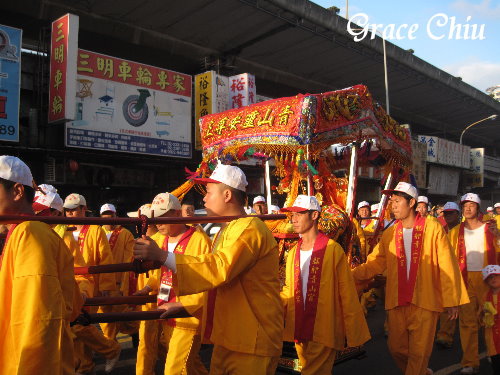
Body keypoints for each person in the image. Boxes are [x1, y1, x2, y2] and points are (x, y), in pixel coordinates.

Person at [134, 163, 283, 374]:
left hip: (252, 339)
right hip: (230, 336)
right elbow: (219, 282)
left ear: (227, 195)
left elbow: (219, 268)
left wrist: (161, 256)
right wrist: (187, 305)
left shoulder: (249, 227)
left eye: (209, 192)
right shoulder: (228, 229)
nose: (204, 199)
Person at [352, 182, 468, 375]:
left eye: (397, 201)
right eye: (391, 201)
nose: (393, 205)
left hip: (425, 301)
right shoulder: (390, 233)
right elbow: (375, 263)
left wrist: (452, 299)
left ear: (412, 202)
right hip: (397, 301)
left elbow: (447, 264)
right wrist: (349, 275)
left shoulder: (433, 228)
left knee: (418, 353)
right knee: (396, 348)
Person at [0, 155, 76, 374]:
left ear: (17, 191)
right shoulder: (23, 231)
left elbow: (38, 322)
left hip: (25, 363)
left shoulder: (29, 233)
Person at [280, 195, 370, 374]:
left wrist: (352, 329)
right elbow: (289, 289)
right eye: (292, 214)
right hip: (299, 324)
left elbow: (347, 292)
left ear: (314, 216)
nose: (294, 219)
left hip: (324, 326)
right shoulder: (293, 252)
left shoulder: (332, 249)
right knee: (307, 368)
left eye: (299, 214)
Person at [141, 193, 211, 374]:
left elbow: (206, 278)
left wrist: (186, 304)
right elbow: (158, 274)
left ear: (178, 213)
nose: (158, 222)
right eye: (155, 217)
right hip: (166, 308)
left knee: (174, 369)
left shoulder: (198, 239)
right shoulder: (159, 240)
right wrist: (148, 287)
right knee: (189, 364)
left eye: (163, 217)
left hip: (188, 314)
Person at [64, 193, 120, 374]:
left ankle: (96, 359)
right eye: (67, 211)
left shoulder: (95, 230)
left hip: (89, 284)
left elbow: (105, 258)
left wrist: (105, 285)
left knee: (79, 324)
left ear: (83, 209)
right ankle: (86, 365)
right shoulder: (63, 229)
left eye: (74, 210)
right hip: (69, 284)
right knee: (77, 327)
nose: (70, 214)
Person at [448, 193, 500, 374]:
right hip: (465, 279)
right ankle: (470, 362)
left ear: (478, 208)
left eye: (471, 205)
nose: (467, 208)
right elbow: (449, 258)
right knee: (467, 322)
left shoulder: (490, 229)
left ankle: (493, 354)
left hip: (488, 279)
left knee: (490, 319)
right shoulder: (455, 232)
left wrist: (498, 236)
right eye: (465, 205)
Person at [129, 204, 167, 375]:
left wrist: (146, 287)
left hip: (157, 297)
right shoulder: (143, 239)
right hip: (148, 296)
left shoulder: (160, 241)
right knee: (157, 344)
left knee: (148, 343)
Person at [99, 203, 138, 341]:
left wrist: (125, 284)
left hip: (118, 283)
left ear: (116, 216)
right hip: (101, 284)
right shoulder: (97, 232)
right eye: (105, 215)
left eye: (110, 215)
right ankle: (112, 347)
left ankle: (131, 342)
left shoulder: (125, 234)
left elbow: (129, 259)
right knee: (105, 322)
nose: (108, 218)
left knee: (125, 318)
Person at [435, 201, 462, 348]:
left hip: (463, 273)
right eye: (446, 213)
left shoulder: (463, 230)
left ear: (458, 214)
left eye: (451, 213)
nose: (448, 216)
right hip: (445, 272)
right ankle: (445, 335)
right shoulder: (441, 230)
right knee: (446, 304)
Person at [481, 265, 500, 374]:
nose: (493, 279)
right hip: (492, 335)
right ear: (486, 281)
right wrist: (484, 313)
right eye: (490, 277)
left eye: (496, 276)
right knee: (496, 364)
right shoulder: (485, 296)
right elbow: (481, 316)